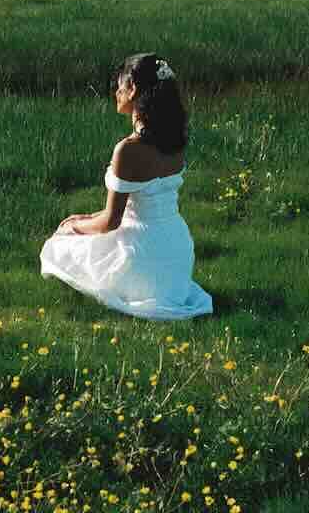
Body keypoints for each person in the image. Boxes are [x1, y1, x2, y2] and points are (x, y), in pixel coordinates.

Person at [39, 52, 213, 320]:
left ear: (132, 90)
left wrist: (73, 226)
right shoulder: (176, 140)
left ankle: (135, 283)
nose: (116, 91)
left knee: (57, 246)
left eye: (120, 85)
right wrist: (86, 217)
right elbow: (136, 207)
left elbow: (111, 221)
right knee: (78, 234)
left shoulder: (128, 150)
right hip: (177, 250)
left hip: (143, 254)